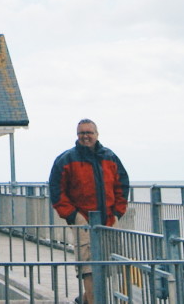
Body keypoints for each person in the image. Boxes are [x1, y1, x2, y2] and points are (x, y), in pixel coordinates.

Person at [48, 119, 129, 304]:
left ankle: (83, 301)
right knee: (89, 269)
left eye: (89, 132)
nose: (85, 136)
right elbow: (56, 191)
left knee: (109, 267)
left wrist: (117, 214)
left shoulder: (110, 157)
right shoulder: (66, 159)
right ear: (77, 136)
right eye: (81, 133)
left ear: (97, 134)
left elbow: (122, 186)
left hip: (108, 222)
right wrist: (74, 216)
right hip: (82, 223)